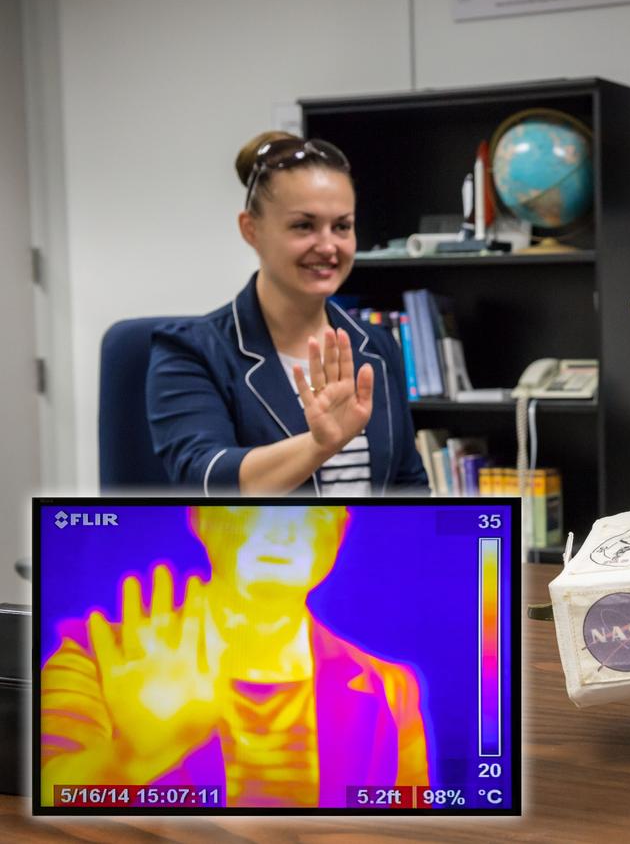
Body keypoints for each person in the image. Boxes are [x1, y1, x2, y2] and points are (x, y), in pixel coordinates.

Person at [40, 506, 431, 808]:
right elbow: (50, 796)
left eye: (312, 511)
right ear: (201, 518)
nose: (281, 531)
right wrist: (131, 758)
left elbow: (412, 827)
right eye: (254, 507)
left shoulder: (390, 687)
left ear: (339, 531)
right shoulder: (98, 655)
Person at [148, 132, 428, 495]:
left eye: (342, 226)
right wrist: (318, 445)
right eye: (303, 226)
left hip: (369, 552)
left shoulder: (376, 346)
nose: (328, 246)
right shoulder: (189, 350)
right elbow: (204, 479)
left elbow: (409, 486)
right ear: (251, 230)